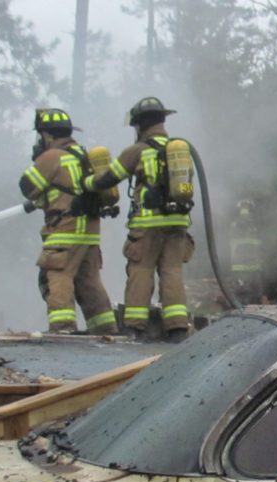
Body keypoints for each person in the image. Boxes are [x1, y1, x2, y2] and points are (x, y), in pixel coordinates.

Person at [84, 96, 194, 342]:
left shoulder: (137, 151)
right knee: (172, 272)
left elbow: (109, 178)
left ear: (141, 124)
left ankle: (134, 327)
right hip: (177, 222)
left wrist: (88, 183)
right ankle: (177, 328)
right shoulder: (178, 150)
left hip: (148, 225)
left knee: (141, 271)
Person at [19, 108, 118, 335]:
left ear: (48, 135)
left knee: (57, 274)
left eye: (41, 136)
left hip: (65, 229)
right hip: (89, 230)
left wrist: (39, 162)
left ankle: (62, 328)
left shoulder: (52, 157)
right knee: (89, 280)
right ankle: (104, 329)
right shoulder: (81, 155)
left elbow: (27, 187)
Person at [229, 198, 265, 304]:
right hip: (253, 268)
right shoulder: (254, 225)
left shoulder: (235, 224)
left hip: (240, 267)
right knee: (255, 295)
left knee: (242, 295)